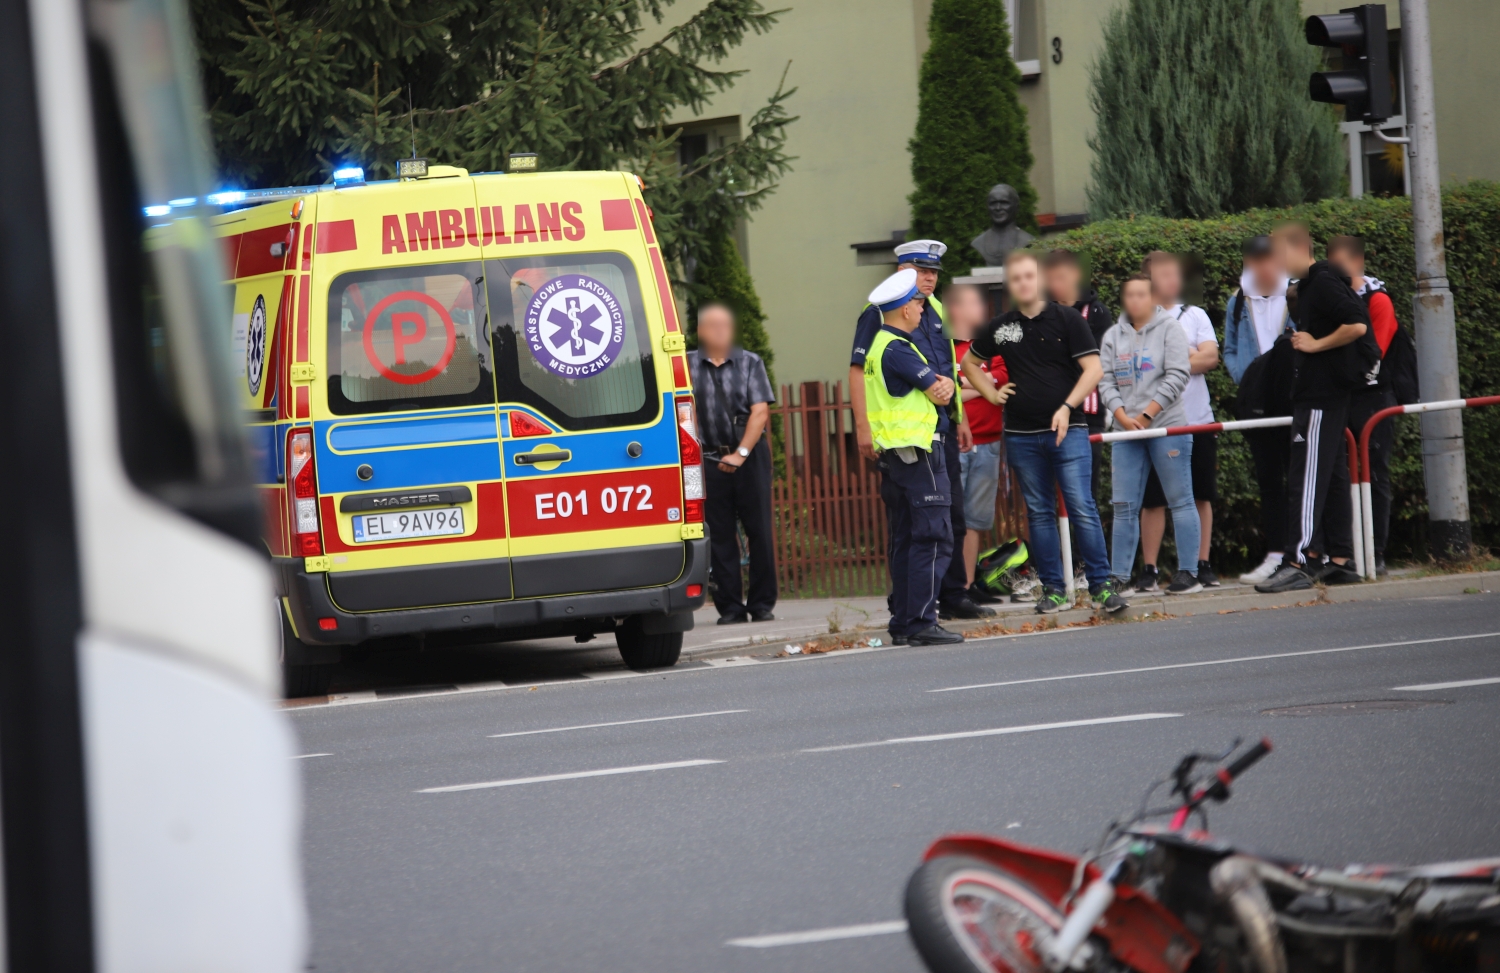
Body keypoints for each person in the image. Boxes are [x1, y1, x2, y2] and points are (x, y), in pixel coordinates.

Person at [961, 250, 1129, 615]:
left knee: (1082, 507)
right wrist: (991, 394)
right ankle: (1053, 590)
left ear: (1038, 279)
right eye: (1015, 278)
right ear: (1010, 285)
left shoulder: (1068, 319)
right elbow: (968, 363)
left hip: (1068, 432)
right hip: (1022, 435)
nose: (1023, 283)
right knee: (1039, 513)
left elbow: (1094, 370)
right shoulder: (1001, 327)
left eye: (1028, 276)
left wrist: (1067, 408)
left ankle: (1101, 588)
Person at [850, 239, 993, 621]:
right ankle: (911, 605)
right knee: (914, 524)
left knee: (951, 516)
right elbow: (856, 370)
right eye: (921, 271)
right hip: (906, 437)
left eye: (933, 272)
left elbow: (949, 368)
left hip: (939, 425)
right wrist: (863, 427)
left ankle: (953, 593)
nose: (928, 278)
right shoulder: (879, 313)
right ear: (902, 273)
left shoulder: (936, 310)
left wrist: (959, 416)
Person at [1256, 224, 1374, 592]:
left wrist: (1315, 344)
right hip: (1324, 393)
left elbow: (1356, 324)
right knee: (1333, 474)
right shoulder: (1311, 284)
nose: (1274, 262)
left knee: (1305, 476)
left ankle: (1300, 559)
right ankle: (1339, 559)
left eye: (1277, 253)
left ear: (1296, 249)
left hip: (1321, 396)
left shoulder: (1321, 281)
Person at [863, 269, 966, 646]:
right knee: (933, 536)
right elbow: (940, 392)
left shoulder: (877, 346)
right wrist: (948, 384)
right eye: (918, 304)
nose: (923, 310)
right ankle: (922, 621)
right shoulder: (898, 348)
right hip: (919, 454)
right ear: (905, 309)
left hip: (896, 456)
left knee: (906, 538)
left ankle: (905, 622)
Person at [1098, 275, 1200, 594]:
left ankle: (1188, 573)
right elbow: (1105, 381)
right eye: (1129, 294)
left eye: (1141, 294)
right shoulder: (1113, 335)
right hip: (1125, 431)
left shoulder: (1170, 328)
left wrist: (1145, 415)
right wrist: (1122, 417)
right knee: (1124, 504)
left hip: (1167, 425)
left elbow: (1178, 374)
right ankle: (1120, 577)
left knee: (1180, 500)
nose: (1135, 300)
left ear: (1152, 297)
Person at [1134, 251, 1220, 591]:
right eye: (1163, 274)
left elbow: (1210, 357)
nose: (1172, 280)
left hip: (1198, 420)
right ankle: (1150, 569)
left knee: (1201, 494)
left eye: (1175, 274)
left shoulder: (1195, 314)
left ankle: (1201, 563)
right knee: (1153, 498)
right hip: (1157, 424)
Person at [688, 304, 778, 624]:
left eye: (725, 325)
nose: (720, 331)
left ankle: (762, 604)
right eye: (712, 326)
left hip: (750, 458)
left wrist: (739, 454)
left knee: (759, 531)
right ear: (699, 331)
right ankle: (730, 608)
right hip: (708, 459)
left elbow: (760, 412)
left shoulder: (750, 362)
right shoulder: (686, 366)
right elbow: (685, 413)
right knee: (720, 535)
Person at [1223, 235, 1294, 584]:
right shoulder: (1237, 301)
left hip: (1292, 402)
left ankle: (1303, 552)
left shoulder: (1295, 294)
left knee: (1299, 476)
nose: (1262, 267)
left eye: (1268, 260)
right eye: (1255, 261)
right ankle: (1276, 553)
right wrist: (1248, 379)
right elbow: (1230, 349)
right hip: (1257, 405)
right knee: (1268, 481)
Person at [1327, 235, 1400, 576]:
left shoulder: (1378, 300)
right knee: (1340, 475)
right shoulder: (1332, 299)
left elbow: (1377, 349)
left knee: (1373, 473)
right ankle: (1346, 550)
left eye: (1343, 264)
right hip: (1341, 395)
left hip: (1373, 397)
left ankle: (1377, 550)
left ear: (1358, 262)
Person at [948, 282, 1010, 601]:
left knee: (975, 518)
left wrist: (964, 384)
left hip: (989, 442)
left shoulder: (990, 346)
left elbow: (1002, 379)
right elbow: (946, 388)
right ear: (955, 309)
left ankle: (968, 585)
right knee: (954, 518)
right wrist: (978, 383)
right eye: (974, 303)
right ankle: (952, 587)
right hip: (956, 444)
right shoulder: (945, 347)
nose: (982, 310)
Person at [1043, 249, 1113, 502]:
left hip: (1088, 415)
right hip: (1046, 415)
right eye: (1050, 279)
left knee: (1085, 497)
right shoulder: (1039, 313)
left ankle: (1085, 544)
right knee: (1047, 498)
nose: (1055, 285)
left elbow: (1096, 364)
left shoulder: (1097, 313)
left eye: (1061, 277)